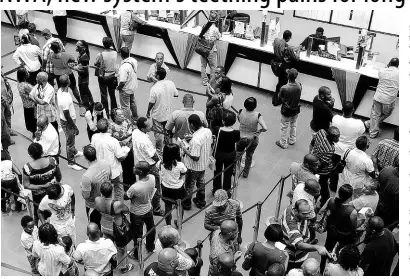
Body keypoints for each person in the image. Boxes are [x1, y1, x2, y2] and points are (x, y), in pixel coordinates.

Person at [95, 181, 134, 273]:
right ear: (112, 191)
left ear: (101, 192)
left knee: (108, 245)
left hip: (104, 226)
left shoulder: (97, 200)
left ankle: (109, 262)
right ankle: (123, 267)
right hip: (116, 229)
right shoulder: (117, 204)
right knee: (121, 249)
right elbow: (126, 210)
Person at [319, 184, 359, 273]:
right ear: (350, 196)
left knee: (328, 247)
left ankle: (322, 267)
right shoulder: (352, 211)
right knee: (342, 250)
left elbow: (321, 211)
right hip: (344, 234)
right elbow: (353, 227)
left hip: (331, 230)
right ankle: (336, 264)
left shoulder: (331, 201)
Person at [281, 199, 331, 270]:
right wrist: (317, 247)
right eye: (304, 214)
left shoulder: (290, 208)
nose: (308, 216)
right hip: (295, 256)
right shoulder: (291, 226)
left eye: (308, 212)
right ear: (296, 211)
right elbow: (300, 245)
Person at [23, 143, 62, 225]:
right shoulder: (52, 161)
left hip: (38, 196)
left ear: (30, 155)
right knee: (54, 209)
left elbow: (26, 185)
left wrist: (43, 186)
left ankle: (36, 228)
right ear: (42, 152)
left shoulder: (28, 168)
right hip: (53, 192)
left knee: (38, 210)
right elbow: (59, 177)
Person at [132, 117, 164, 216]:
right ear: (142, 128)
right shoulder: (144, 141)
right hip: (149, 165)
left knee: (142, 183)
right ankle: (157, 209)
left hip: (139, 162)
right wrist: (160, 162)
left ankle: (143, 200)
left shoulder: (135, 132)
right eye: (148, 126)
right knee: (155, 187)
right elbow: (153, 155)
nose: (151, 126)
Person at [181, 114, 213, 209]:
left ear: (191, 125)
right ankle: (201, 201)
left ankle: (187, 204)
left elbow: (195, 157)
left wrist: (185, 150)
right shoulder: (207, 131)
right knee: (201, 183)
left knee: (189, 186)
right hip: (203, 165)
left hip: (193, 167)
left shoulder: (195, 140)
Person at [124, 161, 157, 256]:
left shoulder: (135, 187)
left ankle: (136, 254)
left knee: (137, 235)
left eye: (136, 167)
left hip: (137, 213)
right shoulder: (152, 177)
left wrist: (125, 192)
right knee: (151, 229)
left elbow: (126, 197)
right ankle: (150, 247)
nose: (134, 168)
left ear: (141, 172)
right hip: (148, 208)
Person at [92, 118, 128, 201]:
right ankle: (117, 208)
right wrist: (125, 152)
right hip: (114, 171)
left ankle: (107, 206)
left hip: (101, 170)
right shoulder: (113, 141)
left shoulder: (94, 137)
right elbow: (120, 157)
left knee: (105, 190)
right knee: (118, 189)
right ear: (108, 128)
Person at [147, 67, 179, 154]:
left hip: (157, 115)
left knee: (158, 135)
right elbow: (176, 94)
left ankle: (159, 152)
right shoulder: (171, 83)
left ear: (157, 75)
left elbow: (151, 103)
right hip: (168, 115)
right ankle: (169, 150)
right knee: (167, 132)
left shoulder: (154, 88)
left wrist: (148, 111)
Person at [365, 58, 399, 138]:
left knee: (375, 115)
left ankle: (372, 132)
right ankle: (369, 124)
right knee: (387, 113)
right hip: (389, 99)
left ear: (389, 63)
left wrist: (387, 67)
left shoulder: (381, 70)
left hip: (378, 96)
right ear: (398, 65)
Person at [56, 75, 84, 170]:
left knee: (71, 139)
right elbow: (66, 114)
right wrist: (74, 126)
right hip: (68, 121)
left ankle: (74, 152)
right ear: (68, 83)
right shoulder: (65, 98)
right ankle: (71, 162)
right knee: (70, 142)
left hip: (67, 120)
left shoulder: (60, 91)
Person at [236, 97, 268, 178]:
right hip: (252, 139)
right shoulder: (258, 115)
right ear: (255, 106)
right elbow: (265, 128)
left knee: (238, 154)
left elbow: (239, 119)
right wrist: (259, 131)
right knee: (249, 156)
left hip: (240, 137)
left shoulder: (240, 111)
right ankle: (246, 173)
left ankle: (235, 170)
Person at [81, 145, 111, 227]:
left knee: (94, 226)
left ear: (85, 157)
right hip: (106, 199)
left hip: (93, 206)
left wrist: (81, 188)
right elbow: (110, 178)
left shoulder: (86, 176)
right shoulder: (105, 163)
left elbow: (86, 196)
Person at [311, 126, 340, 207]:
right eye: (337, 137)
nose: (338, 139)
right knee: (323, 184)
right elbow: (324, 163)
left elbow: (313, 141)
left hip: (315, 158)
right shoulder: (330, 148)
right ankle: (324, 200)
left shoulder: (321, 131)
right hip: (323, 170)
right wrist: (316, 172)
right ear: (332, 137)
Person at [213, 111, 240, 194]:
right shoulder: (236, 132)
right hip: (230, 155)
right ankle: (227, 191)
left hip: (219, 154)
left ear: (223, 121)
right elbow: (236, 140)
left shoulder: (218, 129)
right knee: (228, 174)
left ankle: (216, 190)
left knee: (217, 172)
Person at [160, 143, 187, 226]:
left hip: (166, 188)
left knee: (167, 207)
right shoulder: (180, 165)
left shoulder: (160, 164)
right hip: (178, 189)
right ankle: (179, 223)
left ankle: (168, 224)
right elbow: (183, 173)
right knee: (180, 206)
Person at [49, 42, 82, 109]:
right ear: (59, 48)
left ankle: (64, 104)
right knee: (73, 88)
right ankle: (80, 102)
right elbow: (72, 59)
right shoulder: (65, 55)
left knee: (61, 89)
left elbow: (51, 62)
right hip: (68, 73)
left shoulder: (50, 55)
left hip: (58, 75)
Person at [272, 30, 300, 106]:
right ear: (289, 38)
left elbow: (281, 46)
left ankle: (276, 98)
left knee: (279, 83)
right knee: (282, 83)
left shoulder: (276, 40)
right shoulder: (289, 48)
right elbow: (296, 58)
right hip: (285, 67)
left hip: (277, 64)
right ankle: (277, 100)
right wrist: (298, 50)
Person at [276, 68, 302, 149]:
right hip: (296, 109)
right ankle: (292, 140)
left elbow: (279, 97)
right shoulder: (299, 85)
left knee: (284, 126)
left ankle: (283, 143)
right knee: (293, 124)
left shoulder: (284, 88)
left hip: (286, 110)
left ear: (288, 76)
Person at [109, 108, 135, 187]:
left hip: (129, 148)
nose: (122, 116)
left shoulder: (127, 121)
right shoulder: (112, 127)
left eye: (122, 114)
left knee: (131, 165)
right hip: (120, 151)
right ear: (114, 117)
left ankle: (132, 182)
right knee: (124, 168)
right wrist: (127, 137)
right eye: (120, 115)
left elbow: (133, 130)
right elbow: (115, 142)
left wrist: (126, 139)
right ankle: (126, 185)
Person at [95, 37, 118, 116]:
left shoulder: (100, 54)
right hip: (112, 76)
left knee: (104, 95)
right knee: (112, 95)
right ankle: (114, 112)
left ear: (103, 44)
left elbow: (95, 63)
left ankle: (106, 113)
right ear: (111, 44)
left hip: (103, 76)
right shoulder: (115, 53)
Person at [71, 40, 94, 114]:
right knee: (86, 90)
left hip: (83, 78)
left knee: (83, 95)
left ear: (83, 48)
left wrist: (75, 68)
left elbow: (85, 71)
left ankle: (87, 110)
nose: (76, 47)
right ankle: (92, 103)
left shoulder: (84, 57)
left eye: (78, 46)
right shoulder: (81, 54)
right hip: (83, 78)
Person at [198, 11, 221, 86]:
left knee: (203, 65)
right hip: (211, 49)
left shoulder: (204, 25)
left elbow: (201, 35)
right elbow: (218, 37)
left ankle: (204, 81)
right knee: (213, 67)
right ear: (216, 19)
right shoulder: (215, 29)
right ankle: (211, 82)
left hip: (202, 48)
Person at [117, 47, 139, 120]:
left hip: (126, 89)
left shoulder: (124, 67)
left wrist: (118, 88)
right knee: (132, 101)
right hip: (133, 86)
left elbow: (122, 81)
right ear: (129, 53)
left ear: (121, 55)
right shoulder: (134, 60)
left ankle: (127, 122)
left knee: (125, 107)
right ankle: (135, 116)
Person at [1, 145, 23, 212]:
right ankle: (18, 208)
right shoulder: (10, 162)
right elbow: (19, 173)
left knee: (1, 195)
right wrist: (20, 184)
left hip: (2, 181)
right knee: (17, 193)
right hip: (12, 181)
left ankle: (3, 208)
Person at [16, 68, 36, 138]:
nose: (28, 73)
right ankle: (35, 133)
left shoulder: (19, 83)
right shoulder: (26, 86)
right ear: (24, 76)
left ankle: (33, 131)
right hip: (31, 105)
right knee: (34, 119)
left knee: (29, 119)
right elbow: (34, 93)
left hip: (25, 105)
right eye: (27, 73)